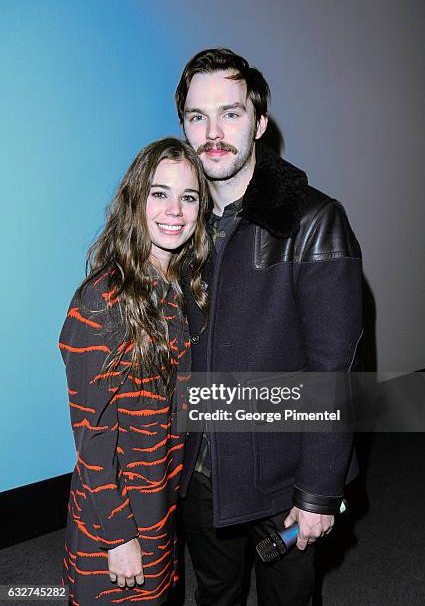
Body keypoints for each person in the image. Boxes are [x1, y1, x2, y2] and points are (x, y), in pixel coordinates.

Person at [175, 48, 362, 605]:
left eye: (230, 113)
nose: (212, 131)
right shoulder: (176, 223)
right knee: (216, 594)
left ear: (259, 122)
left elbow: (334, 369)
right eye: (196, 116)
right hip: (197, 473)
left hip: (283, 482)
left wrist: (319, 492)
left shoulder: (313, 220)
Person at [59, 137, 210, 604]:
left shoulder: (182, 290)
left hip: (161, 507)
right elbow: (92, 437)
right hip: (116, 521)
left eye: (189, 197)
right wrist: (119, 538)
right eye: (159, 193)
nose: (175, 210)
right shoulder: (102, 301)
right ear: (135, 200)